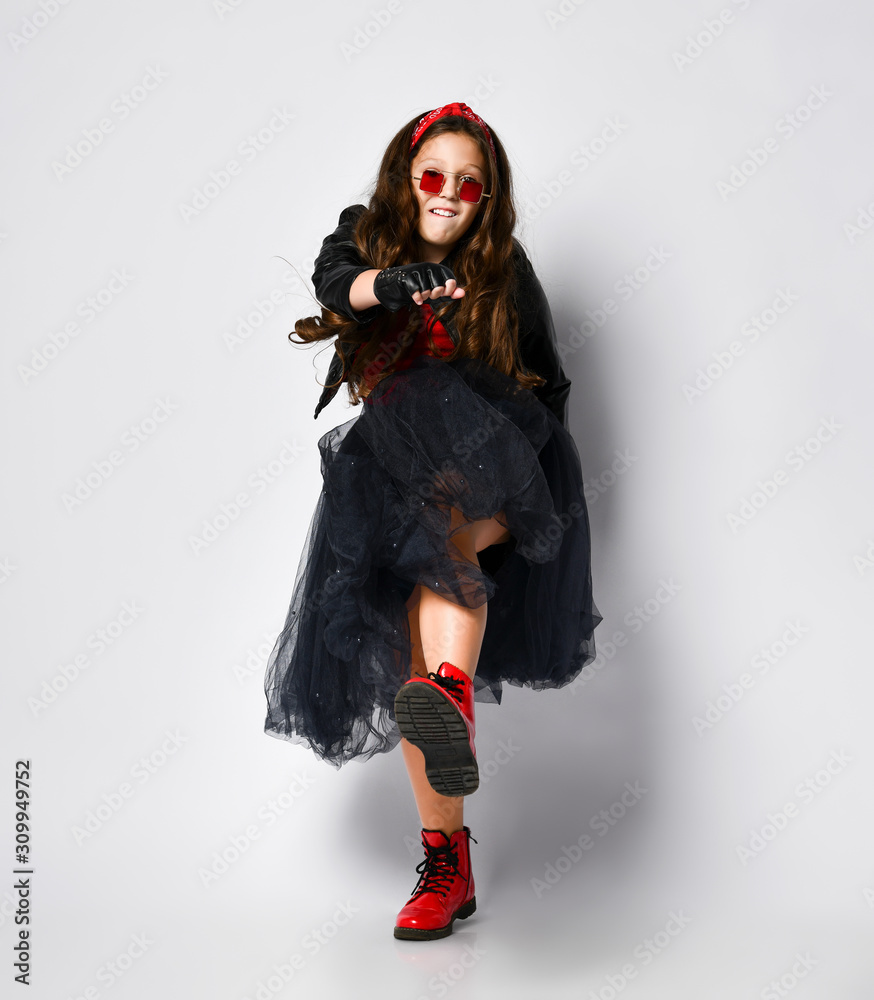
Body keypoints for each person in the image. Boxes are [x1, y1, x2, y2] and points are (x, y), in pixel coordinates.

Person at [263, 101, 602, 940]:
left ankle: (446, 704)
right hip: (394, 494)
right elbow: (337, 283)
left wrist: (524, 478)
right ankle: (446, 858)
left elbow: (549, 386)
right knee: (423, 661)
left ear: (485, 199)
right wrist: (394, 285)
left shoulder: (503, 268)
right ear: (405, 181)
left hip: (504, 478)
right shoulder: (364, 238)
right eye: (433, 177)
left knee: (444, 469)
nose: (449, 194)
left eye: (468, 184)